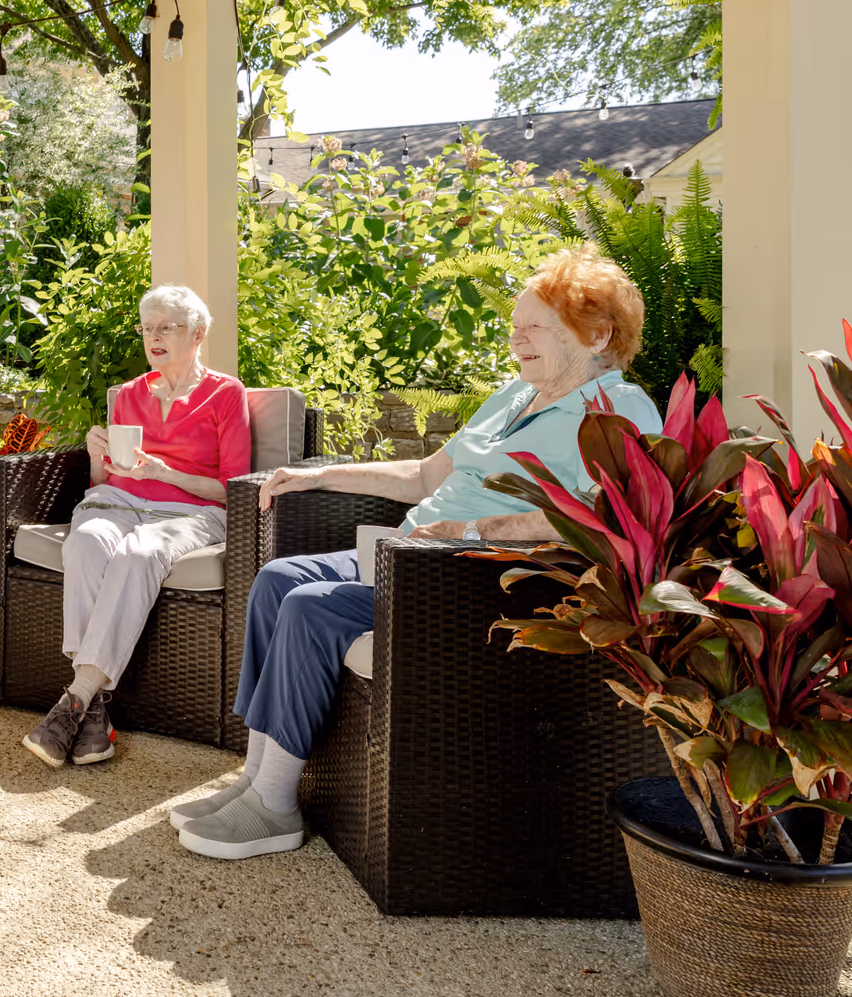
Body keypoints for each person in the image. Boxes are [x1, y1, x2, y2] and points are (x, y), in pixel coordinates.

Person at [169, 249, 661, 860]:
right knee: (276, 579)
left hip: (473, 578)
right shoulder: (516, 394)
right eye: (515, 326)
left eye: (537, 327)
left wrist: (476, 530)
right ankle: (253, 778)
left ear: (598, 334)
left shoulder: (618, 412)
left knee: (311, 608)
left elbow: (604, 523)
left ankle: (275, 806)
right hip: (411, 551)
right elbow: (424, 477)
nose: (517, 341)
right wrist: (319, 476)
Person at [20, 284, 251, 768]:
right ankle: (95, 715)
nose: (155, 337)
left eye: (167, 327)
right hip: (118, 501)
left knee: (141, 552)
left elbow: (234, 487)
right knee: (85, 540)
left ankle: (75, 702)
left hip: (190, 513)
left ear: (198, 333)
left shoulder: (226, 394)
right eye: (148, 328)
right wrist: (95, 453)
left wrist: (165, 474)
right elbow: (103, 480)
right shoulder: (128, 394)